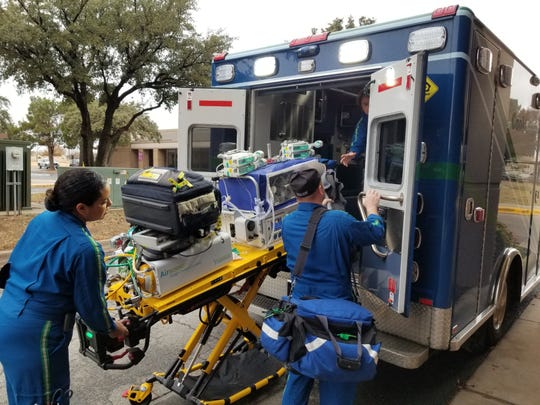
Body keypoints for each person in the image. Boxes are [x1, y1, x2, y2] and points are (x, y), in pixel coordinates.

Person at [0, 168, 129, 405]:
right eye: (103, 201)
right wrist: (113, 328)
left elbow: (15, 264)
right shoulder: (85, 249)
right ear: (81, 208)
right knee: (46, 399)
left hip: (8, 316)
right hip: (37, 334)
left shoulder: (42, 220)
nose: (109, 204)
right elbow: (92, 308)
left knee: (22, 397)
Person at [281, 160, 385, 405]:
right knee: (338, 372)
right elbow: (375, 232)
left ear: (296, 195)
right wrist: (372, 208)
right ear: (321, 189)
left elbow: (312, 232)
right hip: (337, 313)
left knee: (299, 371)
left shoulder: (287, 223)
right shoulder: (339, 220)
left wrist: (323, 210)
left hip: (302, 309)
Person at [340, 84, 370, 167]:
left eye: (371, 103)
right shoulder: (362, 123)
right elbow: (358, 138)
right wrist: (353, 152)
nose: (368, 107)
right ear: (361, 106)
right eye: (365, 104)